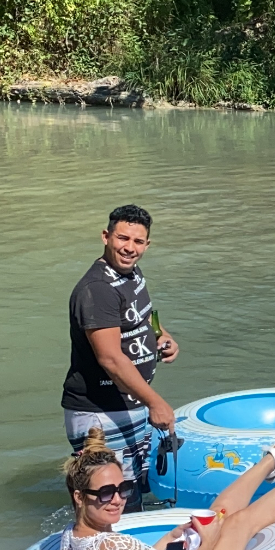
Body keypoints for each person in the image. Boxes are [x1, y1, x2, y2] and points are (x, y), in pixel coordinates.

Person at [57, 423, 275, 550]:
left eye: (123, 488)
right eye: (106, 493)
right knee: (238, 523)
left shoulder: (70, 535)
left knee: (217, 514)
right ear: (79, 496)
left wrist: (168, 539)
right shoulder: (112, 544)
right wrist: (211, 540)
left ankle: (271, 462)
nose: (118, 500)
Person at [61, 204, 179, 503]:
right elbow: (110, 359)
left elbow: (142, 313)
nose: (130, 248)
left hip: (129, 402)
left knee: (134, 493)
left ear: (147, 244)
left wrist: (160, 335)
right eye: (122, 239)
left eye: (138, 242)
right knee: (110, 502)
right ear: (106, 236)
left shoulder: (131, 274)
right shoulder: (97, 289)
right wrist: (156, 403)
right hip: (100, 413)